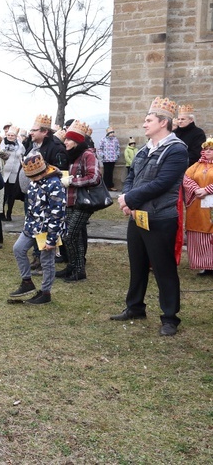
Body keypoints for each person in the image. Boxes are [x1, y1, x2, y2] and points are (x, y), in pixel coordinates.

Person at [112, 97, 188, 336]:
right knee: (137, 265)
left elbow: (162, 183)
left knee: (164, 268)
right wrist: (127, 200)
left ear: (163, 123)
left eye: (148, 120)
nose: (144, 124)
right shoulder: (145, 149)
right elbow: (132, 175)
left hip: (160, 218)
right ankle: (135, 307)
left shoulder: (176, 150)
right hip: (138, 216)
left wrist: (130, 199)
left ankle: (169, 317)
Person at [8, 152, 66, 305]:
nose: (32, 180)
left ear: (42, 172)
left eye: (34, 177)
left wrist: (52, 239)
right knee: (18, 249)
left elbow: (57, 214)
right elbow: (32, 206)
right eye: (30, 178)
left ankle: (45, 292)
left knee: (46, 262)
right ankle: (27, 282)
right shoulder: (35, 182)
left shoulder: (55, 185)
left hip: (47, 231)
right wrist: (27, 225)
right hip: (31, 227)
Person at [57, 120, 100, 282]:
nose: (65, 142)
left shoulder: (87, 155)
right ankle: (74, 267)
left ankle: (78, 268)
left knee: (70, 235)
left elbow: (94, 177)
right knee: (75, 237)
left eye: (68, 139)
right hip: (70, 201)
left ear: (76, 141)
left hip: (83, 202)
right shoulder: (73, 156)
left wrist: (72, 181)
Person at [182, 136, 213, 276]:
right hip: (197, 207)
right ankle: (203, 265)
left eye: (211, 150)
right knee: (198, 233)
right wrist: (196, 189)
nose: (208, 152)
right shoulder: (196, 166)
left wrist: (207, 190)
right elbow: (186, 178)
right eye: (206, 149)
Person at [1, 127, 25, 221]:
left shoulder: (20, 145)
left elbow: (22, 155)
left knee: (12, 195)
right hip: (4, 172)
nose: (10, 137)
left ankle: (9, 213)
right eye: (9, 135)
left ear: (16, 136)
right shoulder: (2, 143)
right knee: (3, 194)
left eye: (13, 135)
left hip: (14, 172)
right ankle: (1, 213)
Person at [97, 126, 121, 191]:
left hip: (113, 158)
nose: (112, 134)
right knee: (106, 173)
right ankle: (105, 186)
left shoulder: (115, 140)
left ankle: (110, 186)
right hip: (106, 159)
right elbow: (99, 148)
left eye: (113, 132)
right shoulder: (103, 139)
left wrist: (117, 154)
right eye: (111, 132)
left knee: (111, 173)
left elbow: (118, 148)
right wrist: (103, 155)